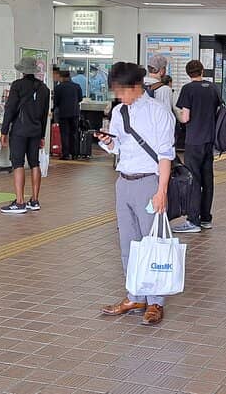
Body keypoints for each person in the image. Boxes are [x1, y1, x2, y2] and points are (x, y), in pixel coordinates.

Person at [96, 62, 175, 327]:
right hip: (124, 181)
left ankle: (155, 302)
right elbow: (118, 144)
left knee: (153, 244)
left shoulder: (158, 112)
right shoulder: (119, 112)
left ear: (135, 87)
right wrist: (109, 142)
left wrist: (161, 191)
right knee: (128, 244)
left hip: (148, 182)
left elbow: (165, 155)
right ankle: (135, 295)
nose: (119, 97)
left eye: (121, 91)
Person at [0, 57, 51, 214]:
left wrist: (4, 131)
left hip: (20, 131)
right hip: (36, 131)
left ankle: (20, 202)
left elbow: (10, 109)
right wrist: (42, 135)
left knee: (18, 163)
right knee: (35, 163)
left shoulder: (17, 86)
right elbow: (44, 115)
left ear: (22, 70)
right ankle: (34, 200)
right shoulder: (44, 89)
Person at [175, 60, 221, 233]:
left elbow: (185, 118)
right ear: (202, 70)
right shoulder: (212, 88)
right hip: (210, 140)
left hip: (194, 140)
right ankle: (206, 218)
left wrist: (178, 116)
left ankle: (193, 221)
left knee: (194, 180)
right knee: (208, 180)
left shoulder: (188, 89)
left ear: (188, 73)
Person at [53, 69, 83, 160]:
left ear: (61, 77)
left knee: (64, 134)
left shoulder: (58, 88)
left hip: (63, 114)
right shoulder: (77, 86)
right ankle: (75, 154)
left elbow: (56, 102)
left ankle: (66, 154)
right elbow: (80, 98)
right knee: (74, 133)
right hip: (75, 113)